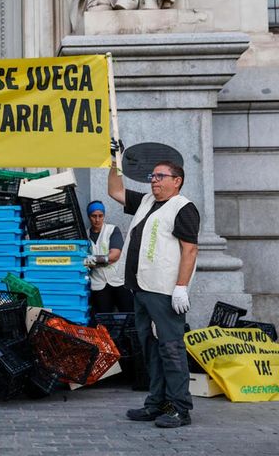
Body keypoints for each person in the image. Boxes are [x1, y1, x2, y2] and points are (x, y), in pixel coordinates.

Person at [108, 144, 199, 429]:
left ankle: (180, 408)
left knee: (171, 349)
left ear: (177, 181)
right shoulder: (147, 201)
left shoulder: (183, 207)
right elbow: (115, 191)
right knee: (150, 349)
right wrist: (114, 162)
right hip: (141, 288)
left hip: (164, 292)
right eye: (152, 176)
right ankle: (156, 403)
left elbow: (190, 250)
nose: (154, 180)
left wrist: (181, 286)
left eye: (160, 176)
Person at [84, 200, 132, 314]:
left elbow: (114, 256)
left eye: (100, 216)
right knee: (103, 318)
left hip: (118, 281)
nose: (97, 219)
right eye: (94, 216)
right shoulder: (85, 235)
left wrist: (88, 261)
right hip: (98, 284)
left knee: (129, 315)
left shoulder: (112, 230)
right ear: (89, 216)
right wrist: (103, 259)